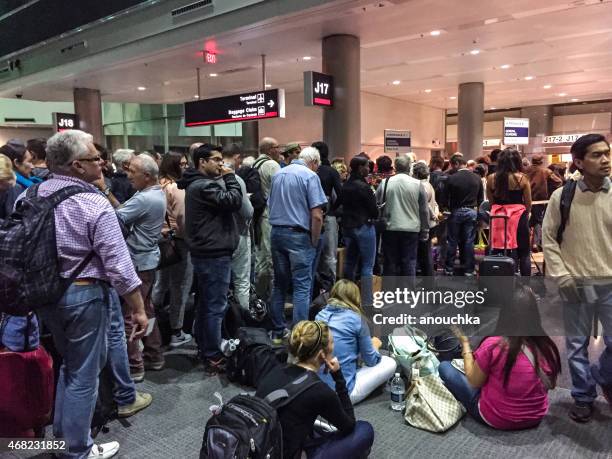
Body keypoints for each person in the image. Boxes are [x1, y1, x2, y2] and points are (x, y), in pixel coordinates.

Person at [23, 129, 148, 459]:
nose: (103, 164)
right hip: (84, 295)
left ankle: (64, 438)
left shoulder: (31, 196)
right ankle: (76, 449)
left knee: (69, 364)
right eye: (96, 158)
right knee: (84, 375)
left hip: (44, 293)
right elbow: (118, 264)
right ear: (77, 166)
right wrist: (138, 307)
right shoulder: (92, 202)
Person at [542, 133, 612, 423]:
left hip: (610, 283)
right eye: (597, 155)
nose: (605, 160)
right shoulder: (563, 196)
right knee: (576, 344)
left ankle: (599, 375)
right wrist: (562, 276)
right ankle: (583, 395)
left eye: (607, 153)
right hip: (576, 283)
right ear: (579, 162)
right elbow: (548, 239)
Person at [440, 287, 562, 430]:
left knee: (445, 367)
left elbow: (474, 382)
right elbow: (551, 385)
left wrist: (465, 345)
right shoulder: (546, 346)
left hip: (496, 418)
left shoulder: (493, 345)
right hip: (535, 417)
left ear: (505, 313)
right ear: (534, 314)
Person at [256, 321, 374, 459]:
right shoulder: (319, 390)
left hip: (262, 442)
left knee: (314, 425)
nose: (333, 346)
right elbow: (349, 425)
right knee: (364, 429)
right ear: (321, 354)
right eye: (332, 342)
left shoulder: (277, 369)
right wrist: (338, 377)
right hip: (284, 453)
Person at [99, 154, 167, 382]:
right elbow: (125, 211)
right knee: (146, 310)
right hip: (147, 261)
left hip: (137, 263)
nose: (128, 176)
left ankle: (135, 365)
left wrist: (103, 190)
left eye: (132, 171)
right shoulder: (151, 194)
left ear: (147, 176)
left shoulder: (145, 199)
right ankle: (154, 355)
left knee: (131, 316)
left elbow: (113, 218)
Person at [178, 144, 242, 374]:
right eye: (215, 160)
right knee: (215, 306)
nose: (220, 164)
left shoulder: (197, 185)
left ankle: (206, 348)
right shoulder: (203, 186)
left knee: (206, 305)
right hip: (214, 254)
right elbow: (233, 201)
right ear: (201, 162)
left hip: (208, 252)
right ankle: (214, 355)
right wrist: (231, 176)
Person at [268, 147, 327, 342]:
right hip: (299, 236)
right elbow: (317, 215)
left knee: (280, 285)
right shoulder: (310, 176)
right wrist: (315, 240)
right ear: (315, 162)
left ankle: (277, 331)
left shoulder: (278, 174)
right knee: (302, 286)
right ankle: (300, 337)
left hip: (276, 233)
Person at [316, 280, 396, 404]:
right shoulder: (356, 319)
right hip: (342, 394)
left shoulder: (319, 316)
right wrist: (375, 345)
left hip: (318, 389)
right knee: (389, 362)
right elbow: (371, 360)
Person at [151, 152, 193, 348]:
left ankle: (156, 321)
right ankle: (176, 330)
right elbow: (183, 218)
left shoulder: (157, 185)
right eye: (181, 164)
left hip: (160, 240)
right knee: (181, 286)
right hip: (179, 242)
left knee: (161, 282)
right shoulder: (177, 188)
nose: (185, 167)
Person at [333, 156, 378, 310]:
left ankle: (347, 298)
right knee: (367, 266)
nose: (369, 168)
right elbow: (374, 210)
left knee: (349, 263)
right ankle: (367, 302)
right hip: (364, 226)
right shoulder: (364, 187)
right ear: (360, 168)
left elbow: (337, 204)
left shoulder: (345, 185)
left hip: (348, 228)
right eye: (367, 166)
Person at [376, 155, 429, 278]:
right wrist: (425, 230)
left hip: (390, 227)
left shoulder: (385, 182)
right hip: (411, 229)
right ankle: (408, 294)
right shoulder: (417, 184)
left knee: (390, 262)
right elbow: (424, 210)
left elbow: (377, 204)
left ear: (395, 167)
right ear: (409, 167)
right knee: (409, 262)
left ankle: (390, 293)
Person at [486, 148, 532, 276]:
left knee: (497, 249)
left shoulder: (491, 178)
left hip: (498, 218)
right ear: (517, 161)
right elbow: (528, 203)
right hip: (519, 218)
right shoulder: (522, 178)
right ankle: (526, 285)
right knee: (524, 253)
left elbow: (491, 203)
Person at [222, 147, 253, 311]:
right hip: (239, 234)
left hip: (217, 239)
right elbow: (247, 212)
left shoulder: (206, 181)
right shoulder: (235, 180)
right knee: (241, 281)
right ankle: (241, 321)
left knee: (222, 285)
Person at [443, 154, 484, 276]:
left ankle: (449, 268)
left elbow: (445, 199)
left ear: (456, 164)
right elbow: (481, 199)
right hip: (471, 211)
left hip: (455, 211)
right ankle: (469, 269)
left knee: (452, 241)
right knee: (469, 241)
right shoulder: (477, 178)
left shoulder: (451, 178)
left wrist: (446, 209)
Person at [253, 137, 282, 302]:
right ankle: (270, 300)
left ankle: (259, 295)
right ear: (270, 149)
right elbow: (281, 188)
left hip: (258, 215)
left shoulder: (254, 164)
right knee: (270, 257)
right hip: (269, 215)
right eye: (277, 147)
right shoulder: (271, 165)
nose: (279, 151)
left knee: (260, 255)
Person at [312, 141, 343, 290]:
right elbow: (342, 194)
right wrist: (333, 210)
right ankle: (331, 290)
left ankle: (314, 289)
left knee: (312, 255)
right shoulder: (331, 171)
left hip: (310, 216)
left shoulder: (309, 171)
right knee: (330, 256)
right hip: (328, 216)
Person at [525, 154, 562, 252]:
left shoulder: (525, 170)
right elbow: (558, 182)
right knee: (537, 221)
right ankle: (535, 244)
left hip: (525, 199)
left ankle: (525, 242)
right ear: (541, 162)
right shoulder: (546, 171)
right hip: (539, 200)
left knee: (527, 221)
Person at [412, 162, 439, 277]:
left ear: (416, 173)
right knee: (426, 252)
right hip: (431, 223)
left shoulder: (420, 186)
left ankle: (428, 279)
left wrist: (433, 216)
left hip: (425, 223)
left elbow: (425, 205)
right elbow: (434, 204)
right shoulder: (429, 185)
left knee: (425, 254)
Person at [0, 139, 42, 212]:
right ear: (16, 163)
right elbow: (13, 219)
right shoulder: (14, 187)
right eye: (29, 161)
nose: (32, 166)